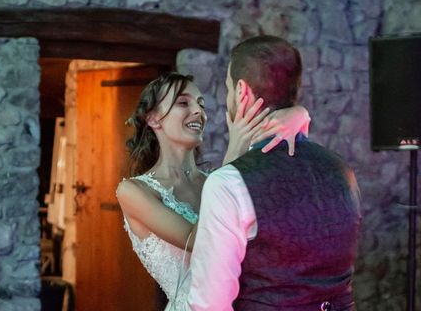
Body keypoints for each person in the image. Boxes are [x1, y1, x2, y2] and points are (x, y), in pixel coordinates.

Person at [187, 36, 362, 310]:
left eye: (228, 88)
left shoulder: (228, 184)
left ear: (242, 91)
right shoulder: (342, 170)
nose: (228, 98)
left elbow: (209, 303)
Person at [116, 72, 311, 310]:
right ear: (154, 119)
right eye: (183, 102)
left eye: (201, 103)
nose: (198, 111)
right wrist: (234, 152)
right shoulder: (132, 191)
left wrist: (299, 113)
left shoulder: (217, 182)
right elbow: (201, 241)